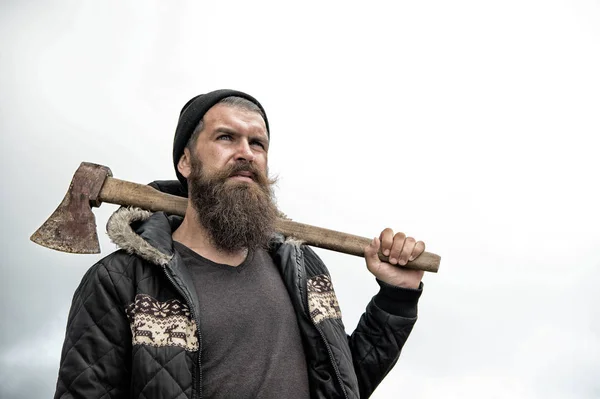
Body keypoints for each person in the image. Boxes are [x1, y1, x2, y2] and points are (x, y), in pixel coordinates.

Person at [54, 89, 426, 399]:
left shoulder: (301, 267)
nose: (246, 152)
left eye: (257, 143)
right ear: (185, 161)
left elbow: (345, 384)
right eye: (225, 137)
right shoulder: (121, 281)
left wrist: (396, 298)